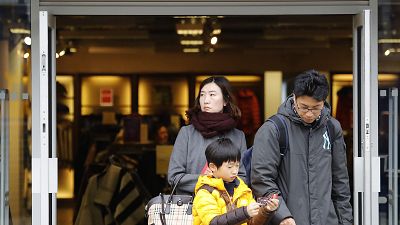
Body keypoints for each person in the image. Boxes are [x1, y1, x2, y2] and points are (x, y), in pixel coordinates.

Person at [251, 70, 353, 225]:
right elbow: (262, 179)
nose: (310, 114)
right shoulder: (273, 129)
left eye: (316, 108)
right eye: (304, 107)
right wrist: (282, 215)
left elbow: (340, 183)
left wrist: (345, 221)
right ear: (294, 98)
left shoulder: (332, 128)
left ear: (324, 102)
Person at [168, 76, 247, 195]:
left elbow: (242, 178)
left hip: (226, 209)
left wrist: (220, 181)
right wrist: (205, 180)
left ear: (225, 100)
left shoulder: (238, 136)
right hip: (190, 207)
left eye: (212, 94)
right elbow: (174, 177)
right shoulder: (187, 133)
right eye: (202, 95)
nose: (206, 100)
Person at [193, 138, 279, 225]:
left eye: (237, 166)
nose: (235, 171)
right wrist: (245, 212)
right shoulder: (205, 192)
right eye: (230, 167)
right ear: (213, 167)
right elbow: (213, 222)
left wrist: (266, 211)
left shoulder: (242, 189)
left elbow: (252, 222)